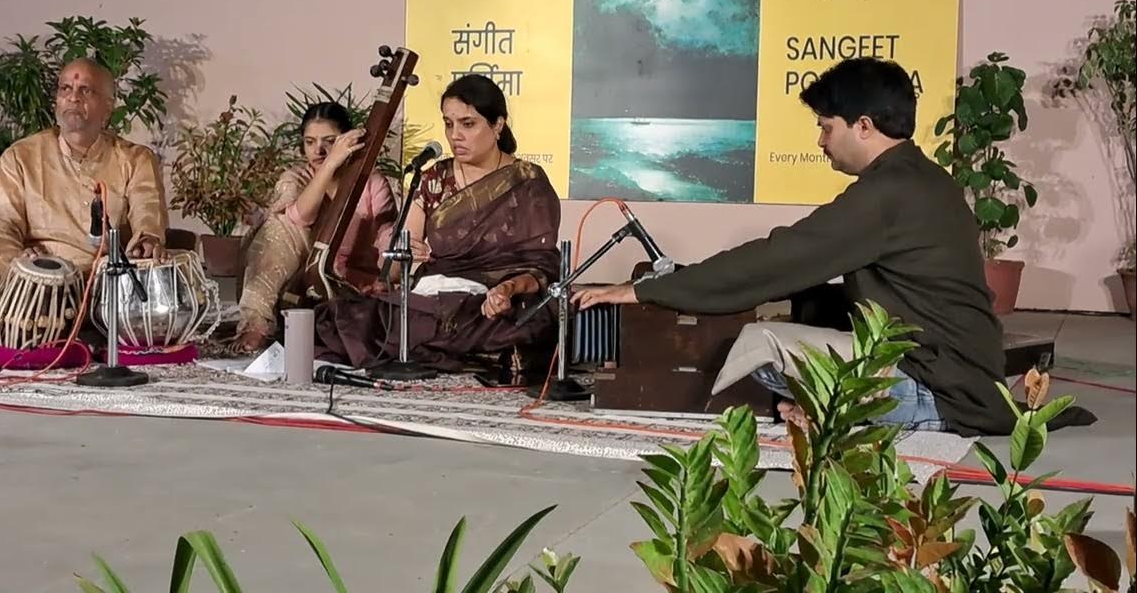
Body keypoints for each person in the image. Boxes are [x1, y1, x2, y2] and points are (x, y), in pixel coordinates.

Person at [574, 57, 1014, 437]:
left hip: (938, 389)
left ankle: (867, 412)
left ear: (863, 126)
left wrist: (647, 291)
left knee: (758, 344)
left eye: (825, 127)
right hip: (964, 378)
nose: (820, 142)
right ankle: (834, 407)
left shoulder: (889, 192)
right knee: (805, 309)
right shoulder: (926, 179)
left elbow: (779, 259)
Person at [312, 74, 561, 371]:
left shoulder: (527, 181)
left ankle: (467, 349)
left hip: (497, 301)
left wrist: (506, 289)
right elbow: (389, 271)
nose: (455, 135)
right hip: (435, 298)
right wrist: (405, 257)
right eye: (448, 123)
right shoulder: (432, 179)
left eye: (467, 124)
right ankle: (476, 354)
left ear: (497, 125)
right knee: (336, 317)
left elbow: (541, 266)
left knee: (531, 319)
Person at [0, 58, 168, 344]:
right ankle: (52, 334)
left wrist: (148, 238)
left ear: (108, 106)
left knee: (161, 313)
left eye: (85, 90)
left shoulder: (135, 159)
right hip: (40, 290)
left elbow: (148, 210)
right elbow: (1, 225)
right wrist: (17, 262)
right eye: (65, 88)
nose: (72, 97)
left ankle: (33, 337)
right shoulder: (21, 157)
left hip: (108, 289)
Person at [234, 101, 399, 351]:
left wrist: (388, 274)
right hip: (302, 278)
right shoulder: (295, 178)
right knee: (278, 225)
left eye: (329, 141)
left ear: (347, 141)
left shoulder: (372, 183)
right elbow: (301, 218)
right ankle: (256, 324)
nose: (319, 150)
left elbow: (387, 236)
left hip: (355, 280)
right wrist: (330, 165)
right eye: (310, 142)